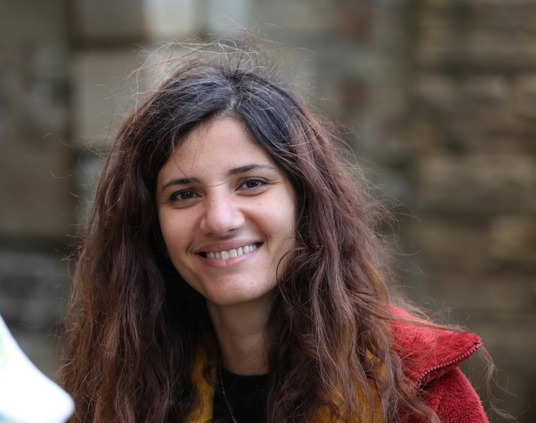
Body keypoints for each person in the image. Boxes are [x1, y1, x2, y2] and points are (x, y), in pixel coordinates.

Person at [58, 41, 493, 422]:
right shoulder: (122, 387)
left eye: (251, 184)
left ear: (304, 202)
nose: (220, 220)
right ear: (151, 225)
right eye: (184, 195)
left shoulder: (417, 387)